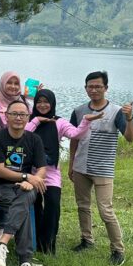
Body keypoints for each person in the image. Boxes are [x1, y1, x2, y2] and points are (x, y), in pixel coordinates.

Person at [68, 71, 133, 266]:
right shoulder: (79, 110)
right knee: (83, 206)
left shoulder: (116, 112)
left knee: (106, 210)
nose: (94, 89)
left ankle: (118, 249)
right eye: (91, 86)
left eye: (98, 86)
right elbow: (74, 137)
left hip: (104, 168)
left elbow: (130, 138)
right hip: (81, 166)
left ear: (106, 88)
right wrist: (71, 163)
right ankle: (86, 240)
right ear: (85, 88)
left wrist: (129, 118)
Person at [24, 89, 101, 255]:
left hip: (51, 173)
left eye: (46, 102)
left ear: (52, 104)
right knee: (34, 206)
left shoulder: (58, 122)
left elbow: (76, 134)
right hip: (31, 172)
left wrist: (85, 121)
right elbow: (22, 136)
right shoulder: (30, 121)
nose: (43, 105)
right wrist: (36, 120)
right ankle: (34, 241)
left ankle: (48, 244)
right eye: (39, 102)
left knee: (53, 206)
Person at [0, 101, 47, 266]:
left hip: (23, 187)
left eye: (23, 114)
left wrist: (34, 180)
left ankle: (2, 243)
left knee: (26, 196)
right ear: (6, 116)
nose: (19, 117)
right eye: (15, 114)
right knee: (24, 206)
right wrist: (27, 177)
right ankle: (24, 261)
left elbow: (42, 168)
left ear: (28, 118)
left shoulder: (34, 139)